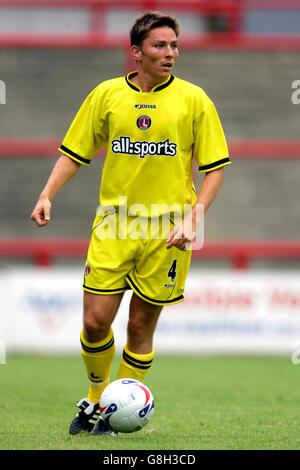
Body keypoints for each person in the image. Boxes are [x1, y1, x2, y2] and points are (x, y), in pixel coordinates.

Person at [31, 10, 231, 436]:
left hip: (169, 233)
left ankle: (118, 410)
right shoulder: (106, 95)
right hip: (114, 226)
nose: (171, 53)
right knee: (94, 322)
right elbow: (75, 152)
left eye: (174, 45)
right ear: (136, 53)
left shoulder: (195, 100)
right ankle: (97, 397)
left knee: (140, 326)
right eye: (160, 46)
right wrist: (47, 193)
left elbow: (215, 169)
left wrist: (195, 218)